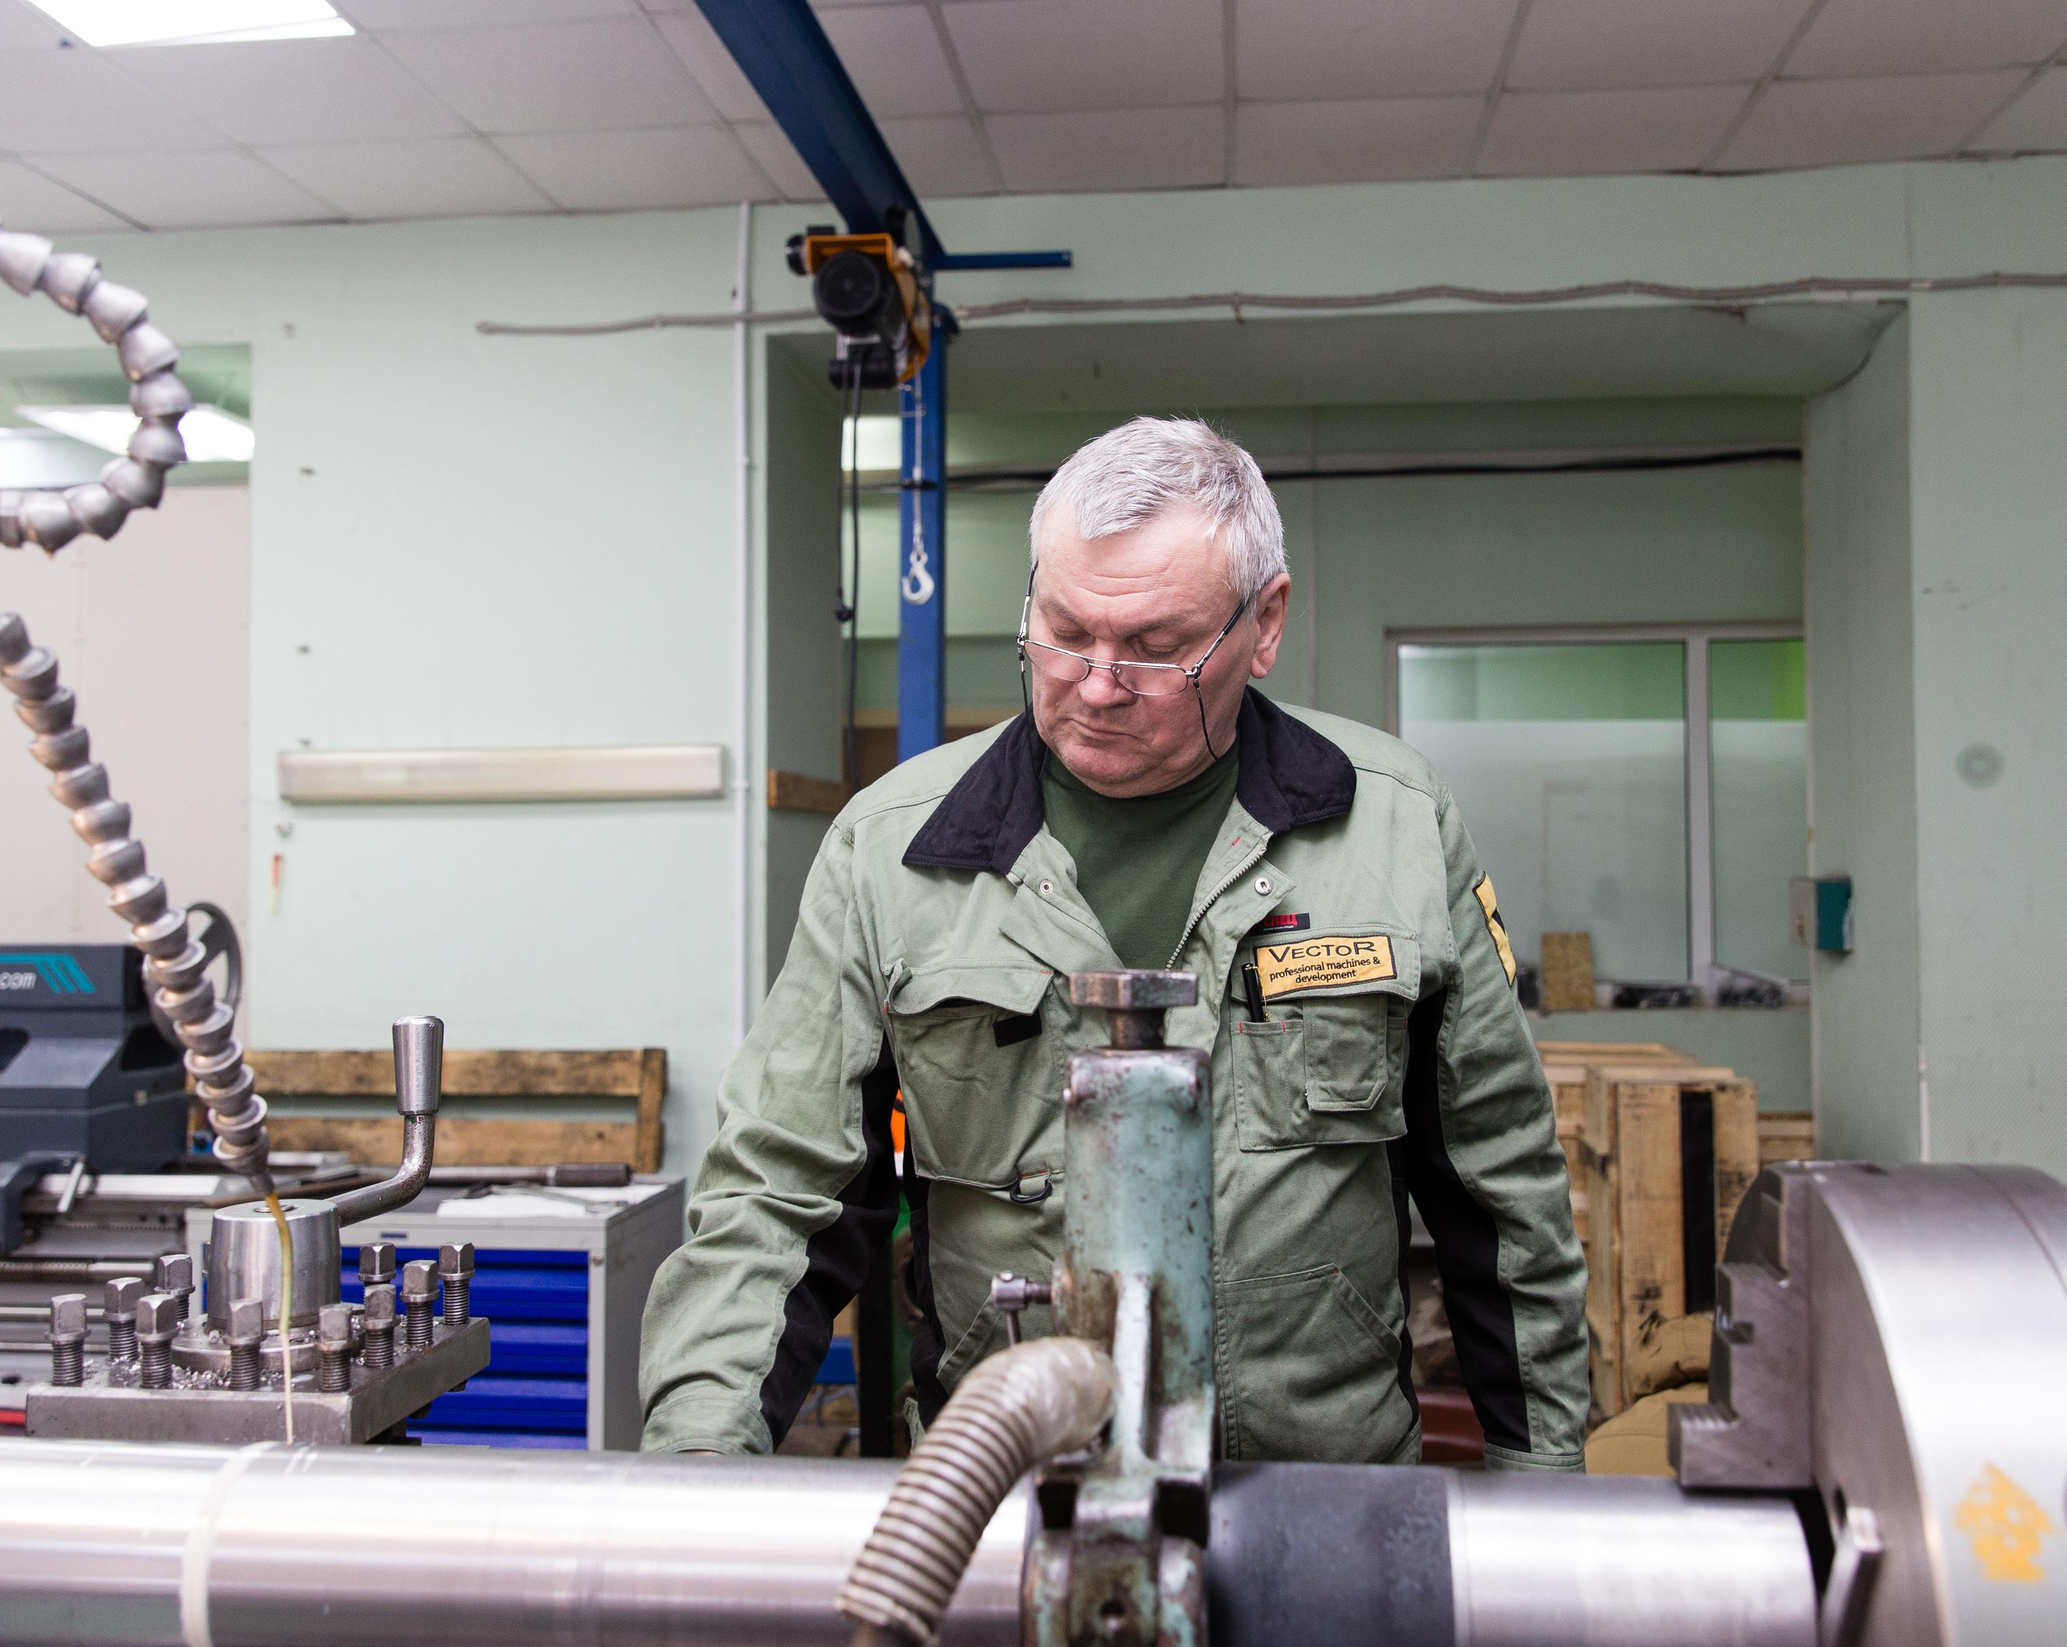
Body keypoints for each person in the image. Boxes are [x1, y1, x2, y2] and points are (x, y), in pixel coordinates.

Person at [640, 416, 1586, 1470]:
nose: (1094, 683)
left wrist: (1543, 1482)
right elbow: (775, 1195)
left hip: (1324, 1500)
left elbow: (1502, 1194)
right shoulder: (889, 853)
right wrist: (699, 1468)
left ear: (1263, 624)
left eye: (1155, 648)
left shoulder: (1394, 828)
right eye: (1063, 631)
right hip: (998, 1497)